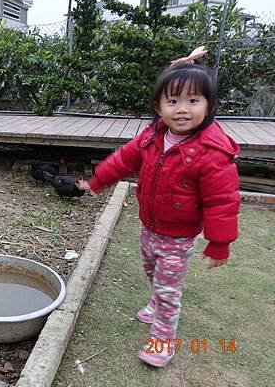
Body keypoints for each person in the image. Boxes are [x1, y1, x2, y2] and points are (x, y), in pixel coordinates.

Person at [77, 47, 240, 367]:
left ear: (208, 106)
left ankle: (163, 337)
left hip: (179, 237)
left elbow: (222, 200)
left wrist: (219, 243)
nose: (182, 109)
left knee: (168, 289)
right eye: (173, 101)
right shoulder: (153, 136)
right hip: (149, 225)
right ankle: (156, 299)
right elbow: (123, 159)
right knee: (151, 271)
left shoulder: (212, 152)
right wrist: (97, 182)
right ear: (158, 106)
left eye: (193, 101)